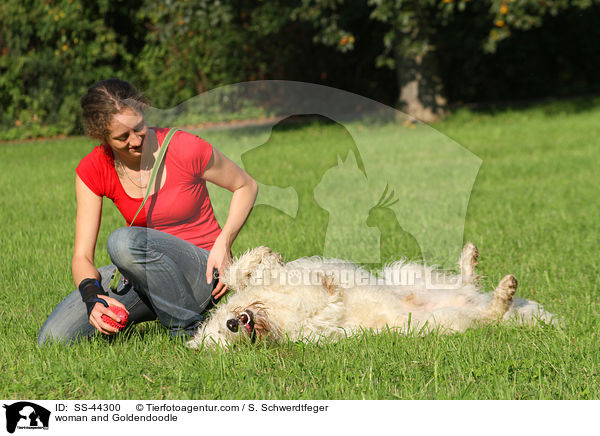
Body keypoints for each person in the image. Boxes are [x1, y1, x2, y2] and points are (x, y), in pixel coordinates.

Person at [38, 78, 258, 345]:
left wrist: (223, 244)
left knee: (122, 241)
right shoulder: (92, 170)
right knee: (53, 338)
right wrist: (92, 297)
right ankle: (163, 311)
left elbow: (246, 185)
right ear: (102, 137)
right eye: (122, 137)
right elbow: (82, 256)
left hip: (201, 270)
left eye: (139, 127)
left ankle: (187, 330)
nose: (136, 140)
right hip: (143, 273)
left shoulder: (184, 147)